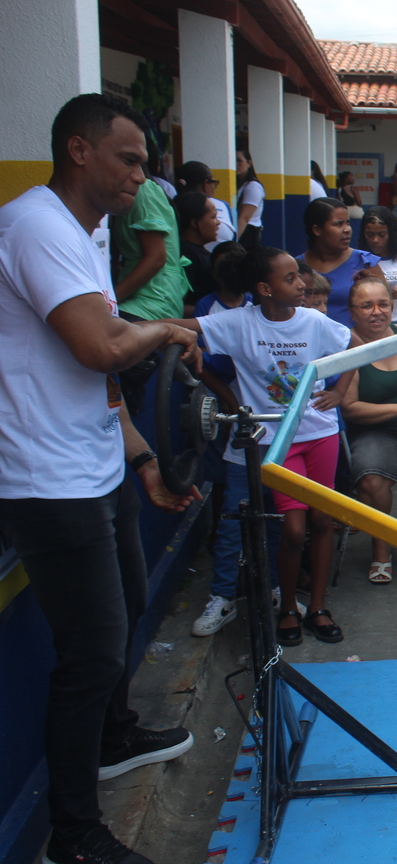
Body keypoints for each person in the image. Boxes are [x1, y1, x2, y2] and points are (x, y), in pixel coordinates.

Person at [0, 92, 201, 864]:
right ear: (79, 150)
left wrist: (142, 458)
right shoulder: (37, 226)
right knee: (90, 655)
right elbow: (102, 347)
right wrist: (169, 328)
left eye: (145, 163)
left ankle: (115, 737)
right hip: (46, 480)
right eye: (129, 160)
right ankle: (75, 835)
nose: (141, 177)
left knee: (130, 604)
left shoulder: (86, 232)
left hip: (96, 464)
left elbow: (103, 380)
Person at [173, 246, 359, 645]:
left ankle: (317, 606)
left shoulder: (314, 321)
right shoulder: (238, 322)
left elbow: (354, 348)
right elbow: (182, 326)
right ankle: (285, 605)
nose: (302, 284)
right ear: (264, 288)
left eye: (299, 276)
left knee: (321, 521)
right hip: (276, 440)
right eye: (290, 278)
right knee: (292, 527)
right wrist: (131, 326)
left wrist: (339, 392)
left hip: (319, 434)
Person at [341, 276, 397, 584]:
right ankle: (381, 549)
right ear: (352, 311)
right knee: (371, 479)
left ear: (393, 307)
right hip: (379, 431)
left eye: (383, 304)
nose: (376, 311)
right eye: (366, 306)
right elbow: (350, 408)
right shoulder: (348, 347)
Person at [111, 177, 189, 321]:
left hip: (153, 296)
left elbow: (156, 258)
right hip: (142, 292)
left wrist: (110, 300)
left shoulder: (143, 190)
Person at [299, 197, 382, 326]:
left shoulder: (366, 263)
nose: (347, 229)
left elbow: (383, 308)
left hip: (355, 338)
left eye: (348, 223)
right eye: (338, 224)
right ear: (317, 230)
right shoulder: (296, 268)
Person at [173, 190, 222, 311]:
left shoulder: (198, 252)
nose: (218, 222)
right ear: (194, 223)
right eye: (213, 217)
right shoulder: (187, 255)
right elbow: (177, 305)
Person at [176, 160, 236, 249]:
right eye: (213, 217)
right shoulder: (222, 205)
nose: (218, 222)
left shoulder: (173, 205)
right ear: (205, 184)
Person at [234, 149, 265, 247]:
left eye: (239, 160)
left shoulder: (253, 186)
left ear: (249, 163)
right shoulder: (240, 185)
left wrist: (234, 241)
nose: (235, 164)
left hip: (247, 233)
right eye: (233, 160)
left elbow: (245, 218)